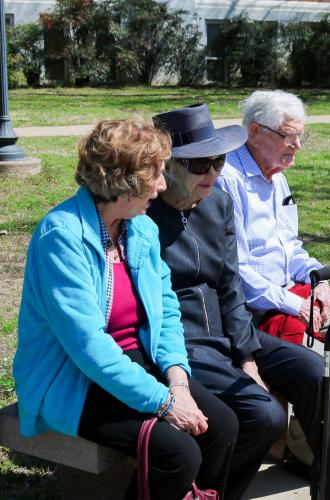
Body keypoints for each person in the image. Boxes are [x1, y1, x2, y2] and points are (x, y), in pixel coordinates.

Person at [13, 119, 239, 500]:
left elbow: (166, 312)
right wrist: (165, 403)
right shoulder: (62, 236)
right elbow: (87, 347)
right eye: (155, 174)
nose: (163, 185)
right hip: (73, 378)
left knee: (224, 426)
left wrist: (177, 382)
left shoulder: (141, 228)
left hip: (134, 361)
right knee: (177, 452)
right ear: (124, 181)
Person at [148, 103, 330, 500]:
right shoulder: (144, 216)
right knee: (265, 415)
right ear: (168, 167)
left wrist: (246, 355)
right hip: (181, 342)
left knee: (316, 370)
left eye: (218, 160)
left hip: (228, 333)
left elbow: (230, 287)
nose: (213, 172)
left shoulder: (217, 204)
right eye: (200, 165)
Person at [216, 90, 330, 470]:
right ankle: (312, 451)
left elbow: (289, 245)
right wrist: (297, 304)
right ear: (256, 132)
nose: (297, 146)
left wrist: (317, 279)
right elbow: (238, 271)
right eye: (288, 136)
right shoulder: (228, 179)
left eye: (300, 136)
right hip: (255, 309)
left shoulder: (276, 175)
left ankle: (323, 431)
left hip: (293, 294)